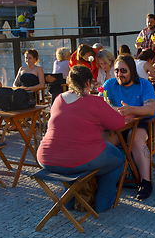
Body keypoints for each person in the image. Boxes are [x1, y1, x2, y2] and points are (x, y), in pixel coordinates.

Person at [37, 65, 125, 213]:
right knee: (116, 159)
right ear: (88, 82)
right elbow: (119, 124)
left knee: (70, 157)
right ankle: (103, 203)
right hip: (77, 160)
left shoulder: (58, 99)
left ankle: (69, 201)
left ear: (69, 82)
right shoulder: (95, 101)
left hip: (46, 159)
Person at [102, 54, 155, 200]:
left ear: (132, 70)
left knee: (136, 139)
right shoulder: (109, 84)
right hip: (118, 124)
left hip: (142, 122)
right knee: (101, 141)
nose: (119, 74)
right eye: (116, 70)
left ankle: (146, 181)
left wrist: (131, 110)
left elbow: (151, 109)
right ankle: (105, 178)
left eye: (123, 70)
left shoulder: (145, 84)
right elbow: (102, 106)